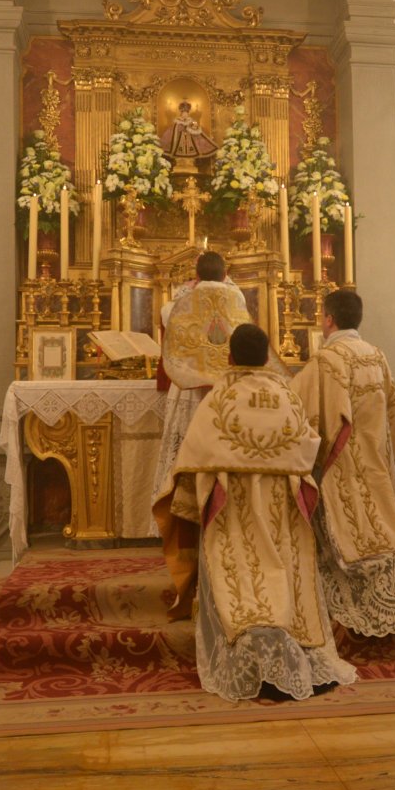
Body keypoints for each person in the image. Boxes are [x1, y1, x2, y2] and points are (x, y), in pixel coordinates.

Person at [153, 325, 355, 702]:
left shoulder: (220, 397)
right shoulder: (287, 395)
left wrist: (191, 498)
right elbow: (308, 448)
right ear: (267, 357)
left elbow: (193, 458)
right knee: (283, 577)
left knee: (243, 582)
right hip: (281, 512)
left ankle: (254, 662)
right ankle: (290, 656)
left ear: (229, 356)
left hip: (234, 511)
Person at [293, 290, 395, 635]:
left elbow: (302, 414)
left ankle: (355, 607)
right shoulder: (377, 356)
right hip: (375, 465)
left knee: (347, 538)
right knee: (382, 533)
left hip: (340, 467)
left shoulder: (324, 361)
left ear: (329, 319)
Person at [152, 251, 254, 616]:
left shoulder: (181, 301)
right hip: (225, 392)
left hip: (190, 393)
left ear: (196, 275)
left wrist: (187, 291)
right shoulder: (237, 299)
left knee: (188, 465)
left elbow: (165, 317)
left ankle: (187, 548)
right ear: (225, 274)